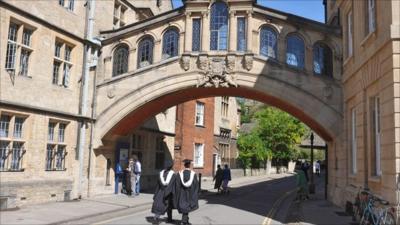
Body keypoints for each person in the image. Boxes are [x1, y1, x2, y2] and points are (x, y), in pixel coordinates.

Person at [174, 159, 199, 225]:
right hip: (189, 193)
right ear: (189, 165)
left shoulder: (180, 174)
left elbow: (177, 184)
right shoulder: (193, 174)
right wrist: (195, 193)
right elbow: (195, 185)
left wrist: (177, 193)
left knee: (184, 206)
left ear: (184, 165)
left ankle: (185, 220)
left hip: (182, 193)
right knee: (187, 207)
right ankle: (184, 221)